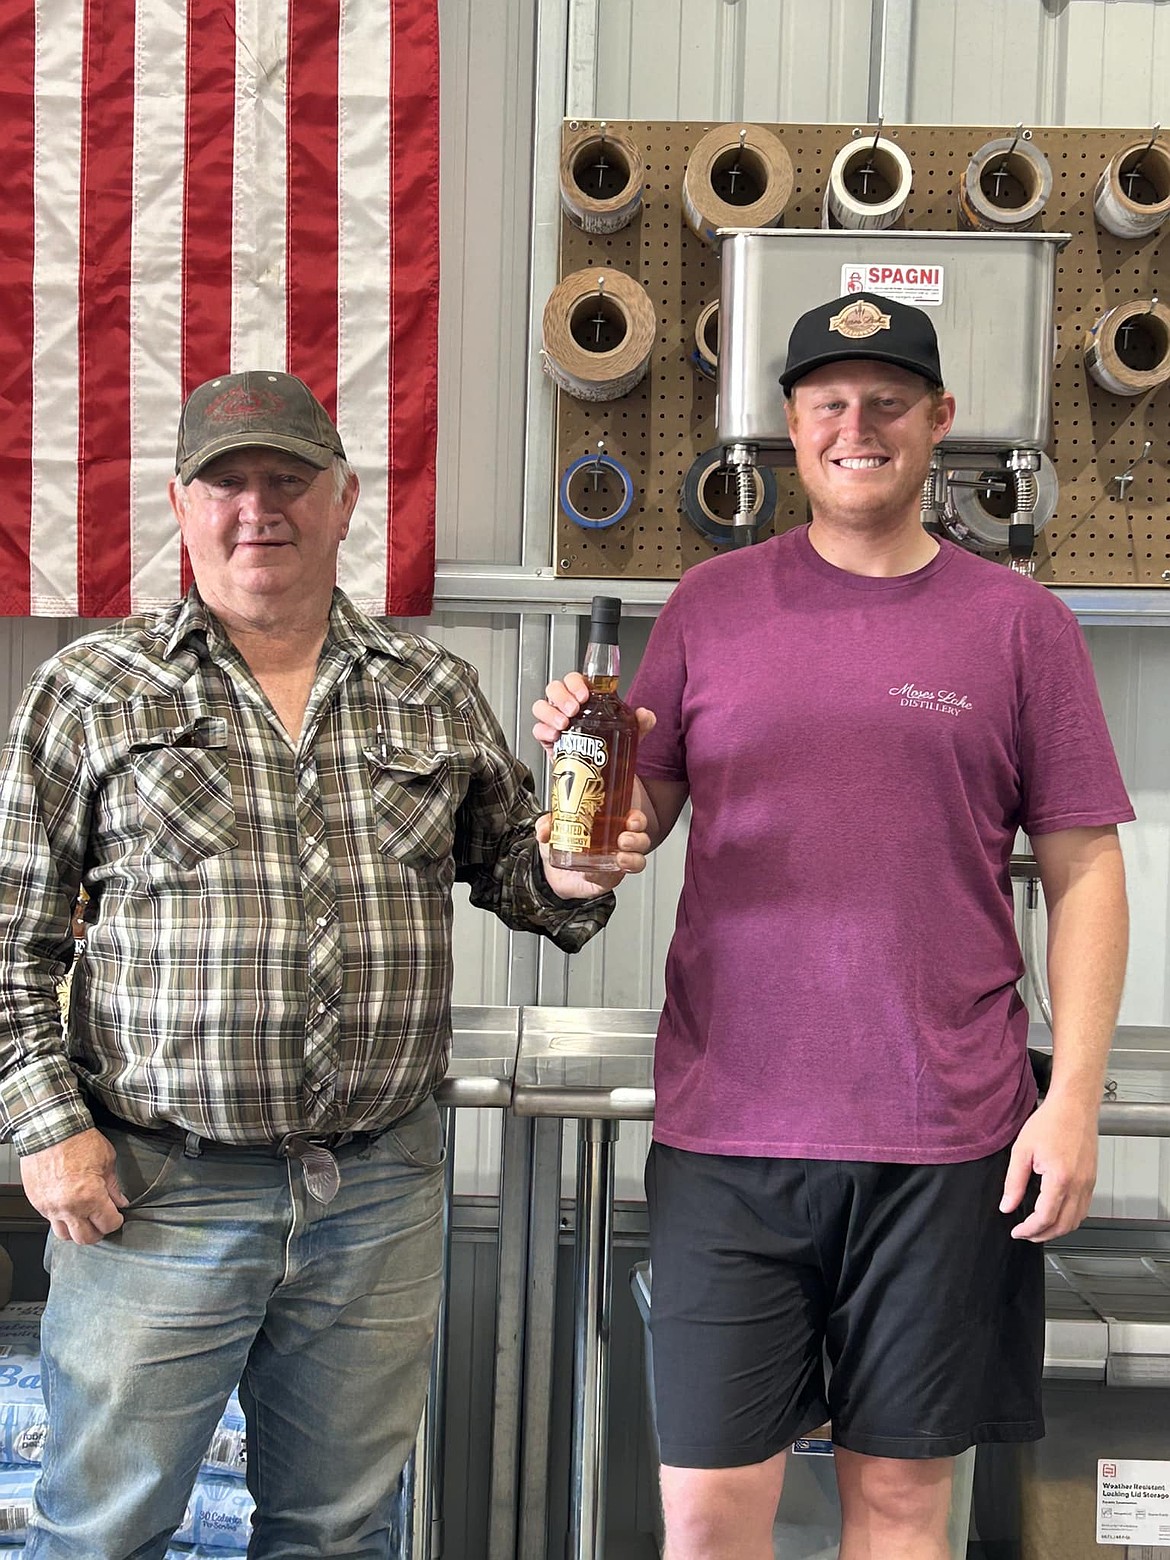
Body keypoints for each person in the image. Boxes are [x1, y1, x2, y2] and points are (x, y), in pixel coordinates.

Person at [0, 369, 652, 1559]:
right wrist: (48, 1127)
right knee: (100, 1535)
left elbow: (520, 873)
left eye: (289, 480)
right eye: (227, 482)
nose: (260, 509)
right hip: (155, 1197)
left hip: (376, 1195)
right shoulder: (90, 692)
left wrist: (575, 873)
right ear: (179, 504)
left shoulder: (431, 689)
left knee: (341, 1535)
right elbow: (10, 939)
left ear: (345, 500)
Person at [535, 294, 1132, 1560]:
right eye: (828, 404)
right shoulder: (708, 605)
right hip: (730, 1129)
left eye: (888, 402)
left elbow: (1085, 870)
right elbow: (625, 825)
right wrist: (584, 840)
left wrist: (1071, 1100)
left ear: (940, 424)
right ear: (790, 430)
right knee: (706, 1519)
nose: (857, 426)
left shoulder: (1022, 626)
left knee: (906, 1511)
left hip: (945, 1135)